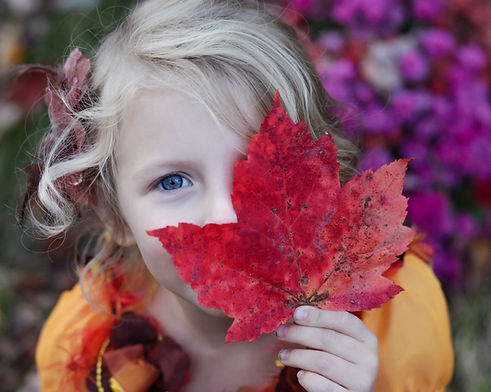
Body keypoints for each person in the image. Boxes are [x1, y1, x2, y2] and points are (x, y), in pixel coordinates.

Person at [22, 0, 453, 391]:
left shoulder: (393, 328)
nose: (227, 213)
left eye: (262, 169)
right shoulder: (91, 350)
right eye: (172, 182)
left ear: (324, 179)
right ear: (113, 215)